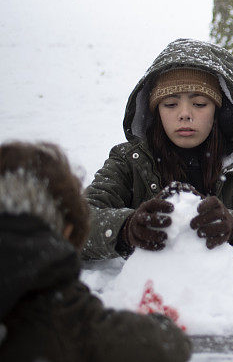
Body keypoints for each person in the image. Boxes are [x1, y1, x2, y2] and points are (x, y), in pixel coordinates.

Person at [82, 38, 233, 270]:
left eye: (200, 103)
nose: (184, 114)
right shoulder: (128, 160)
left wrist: (231, 227)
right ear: (155, 111)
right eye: (170, 104)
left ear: (220, 112)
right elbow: (74, 224)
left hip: (224, 297)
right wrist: (126, 228)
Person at [0, 141, 191, 362]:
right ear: (68, 230)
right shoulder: (57, 312)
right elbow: (162, 345)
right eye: (169, 104)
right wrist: (125, 227)